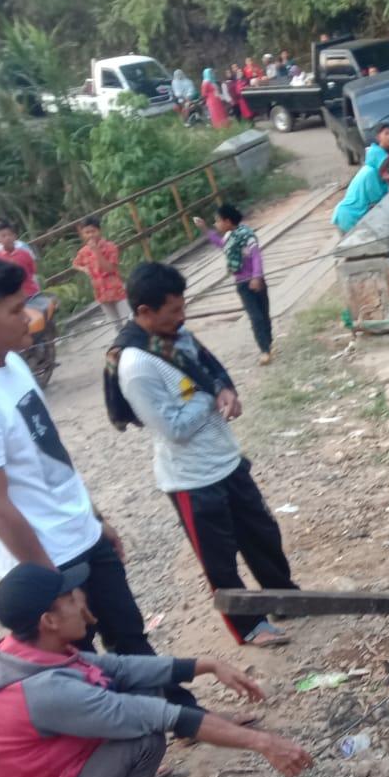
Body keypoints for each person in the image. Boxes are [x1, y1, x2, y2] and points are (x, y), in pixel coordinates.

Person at [0, 561, 313, 777]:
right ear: (48, 621)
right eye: (70, 598)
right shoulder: (44, 691)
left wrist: (208, 665)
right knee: (144, 737)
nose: (81, 600)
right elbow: (160, 716)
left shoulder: (31, 652)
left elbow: (121, 668)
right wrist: (264, 742)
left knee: (146, 690)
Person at [0, 255, 160, 658]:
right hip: (47, 561)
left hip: (82, 536)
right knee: (77, 666)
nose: (29, 317)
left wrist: (94, 519)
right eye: (16, 310)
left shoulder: (13, 365)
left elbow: (51, 457)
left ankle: (179, 717)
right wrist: (56, 586)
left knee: (131, 638)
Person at [108, 261, 297, 647]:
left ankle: (285, 597)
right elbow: (173, 428)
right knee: (219, 560)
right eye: (173, 310)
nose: (183, 316)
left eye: (183, 306)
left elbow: (211, 367)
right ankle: (249, 627)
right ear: (144, 312)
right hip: (192, 479)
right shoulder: (137, 365)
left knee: (262, 535)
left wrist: (225, 387)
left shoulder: (177, 338)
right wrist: (212, 395)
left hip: (226, 461)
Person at [193, 203, 273, 363]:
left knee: (264, 314)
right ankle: (264, 349)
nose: (216, 224)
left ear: (228, 221)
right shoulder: (229, 237)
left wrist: (256, 277)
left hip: (256, 281)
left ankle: (269, 343)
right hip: (242, 284)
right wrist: (205, 229)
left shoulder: (247, 235)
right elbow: (221, 245)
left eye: (217, 221)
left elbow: (256, 256)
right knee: (255, 316)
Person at [0, 222, 56, 333]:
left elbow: (32, 271)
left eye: (9, 234)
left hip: (31, 293)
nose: (7, 238)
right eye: (3, 236)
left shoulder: (24, 253)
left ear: (15, 236)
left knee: (44, 315)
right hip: (12, 298)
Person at [331, 124, 389, 233]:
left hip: (349, 215)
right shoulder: (370, 174)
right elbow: (378, 200)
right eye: (383, 165)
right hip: (349, 216)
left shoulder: (373, 172)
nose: (386, 168)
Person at [72, 216, 127, 330]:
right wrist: (85, 269)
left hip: (116, 289)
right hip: (100, 292)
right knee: (116, 325)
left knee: (127, 320)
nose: (91, 235)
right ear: (83, 234)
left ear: (99, 231)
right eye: (87, 232)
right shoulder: (83, 251)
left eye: (93, 231)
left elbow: (109, 268)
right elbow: (75, 264)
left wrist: (96, 251)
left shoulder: (110, 247)